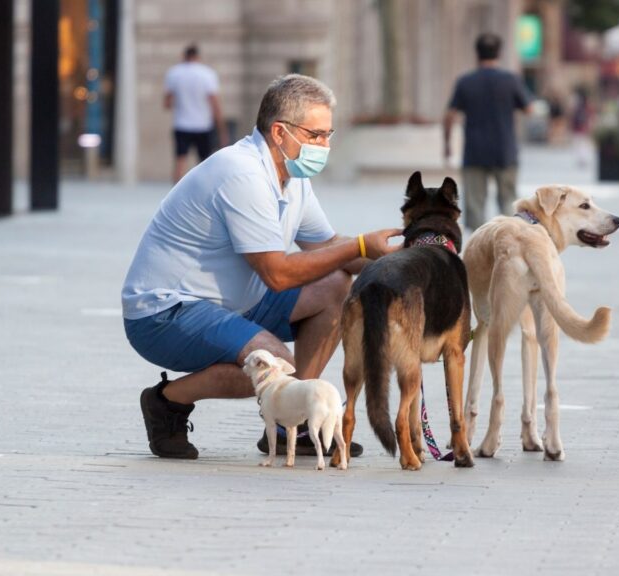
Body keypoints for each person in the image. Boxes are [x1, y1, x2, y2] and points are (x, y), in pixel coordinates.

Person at [123, 74, 403, 460]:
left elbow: (325, 247)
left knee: (337, 284)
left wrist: (399, 258)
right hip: (164, 313)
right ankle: (167, 401)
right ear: (280, 132)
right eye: (316, 135)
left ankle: (297, 421)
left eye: (329, 135)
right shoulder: (242, 174)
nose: (325, 145)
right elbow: (279, 273)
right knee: (275, 368)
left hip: (233, 303)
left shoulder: (291, 176)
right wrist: (359, 246)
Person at [443, 33, 533, 231]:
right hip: (505, 150)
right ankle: (508, 246)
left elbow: (449, 115)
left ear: (477, 53)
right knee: (509, 204)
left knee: (475, 206)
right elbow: (529, 109)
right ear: (499, 53)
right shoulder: (511, 80)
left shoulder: (465, 81)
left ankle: (479, 249)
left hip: (475, 151)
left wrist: (447, 146)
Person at [164, 44, 229, 183]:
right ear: (198, 57)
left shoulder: (174, 73)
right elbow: (215, 104)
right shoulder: (207, 74)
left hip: (182, 123)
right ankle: (202, 195)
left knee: (180, 161)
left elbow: (167, 103)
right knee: (205, 163)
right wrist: (222, 130)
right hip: (203, 124)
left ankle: (175, 195)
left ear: (184, 56)